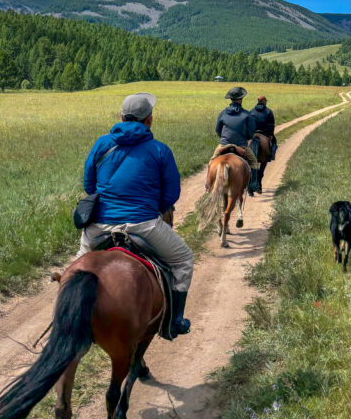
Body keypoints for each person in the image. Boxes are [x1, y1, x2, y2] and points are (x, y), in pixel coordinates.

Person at [77, 92, 193, 339]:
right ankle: (174, 321)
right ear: (149, 120)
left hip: (99, 226)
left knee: (76, 271)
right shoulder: (160, 150)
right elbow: (171, 194)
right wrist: (152, 208)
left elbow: (89, 185)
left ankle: (67, 321)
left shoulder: (101, 144)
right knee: (183, 259)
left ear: (121, 117)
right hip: (144, 225)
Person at [213, 85, 259, 195]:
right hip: (241, 146)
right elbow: (251, 132)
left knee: (212, 161)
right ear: (241, 99)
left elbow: (217, 129)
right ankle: (252, 186)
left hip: (223, 145)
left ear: (231, 99)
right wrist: (246, 138)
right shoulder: (247, 114)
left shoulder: (223, 113)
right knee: (254, 163)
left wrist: (224, 139)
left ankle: (207, 184)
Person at [250, 95, 277, 159]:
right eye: (266, 101)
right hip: (264, 133)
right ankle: (271, 155)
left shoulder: (251, 111)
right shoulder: (268, 111)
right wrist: (271, 134)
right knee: (274, 142)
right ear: (264, 101)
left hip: (253, 133)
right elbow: (271, 125)